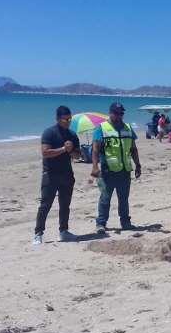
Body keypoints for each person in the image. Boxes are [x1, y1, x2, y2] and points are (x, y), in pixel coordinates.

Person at [91, 103, 142, 233]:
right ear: (110, 113)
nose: (119, 116)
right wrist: (95, 167)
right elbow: (95, 150)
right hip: (107, 171)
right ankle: (101, 223)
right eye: (117, 113)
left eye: (121, 113)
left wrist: (138, 165)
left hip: (125, 170)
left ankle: (125, 222)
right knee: (105, 198)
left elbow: (133, 149)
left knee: (123, 198)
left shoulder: (128, 128)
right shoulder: (101, 129)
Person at [33, 106, 81, 244]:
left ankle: (63, 231)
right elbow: (45, 152)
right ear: (58, 119)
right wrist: (63, 149)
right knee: (45, 205)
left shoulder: (72, 135)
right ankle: (38, 233)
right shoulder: (49, 132)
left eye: (69, 118)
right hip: (51, 173)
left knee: (65, 205)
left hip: (66, 174)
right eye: (65, 119)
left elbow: (77, 156)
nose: (68, 121)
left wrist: (71, 150)